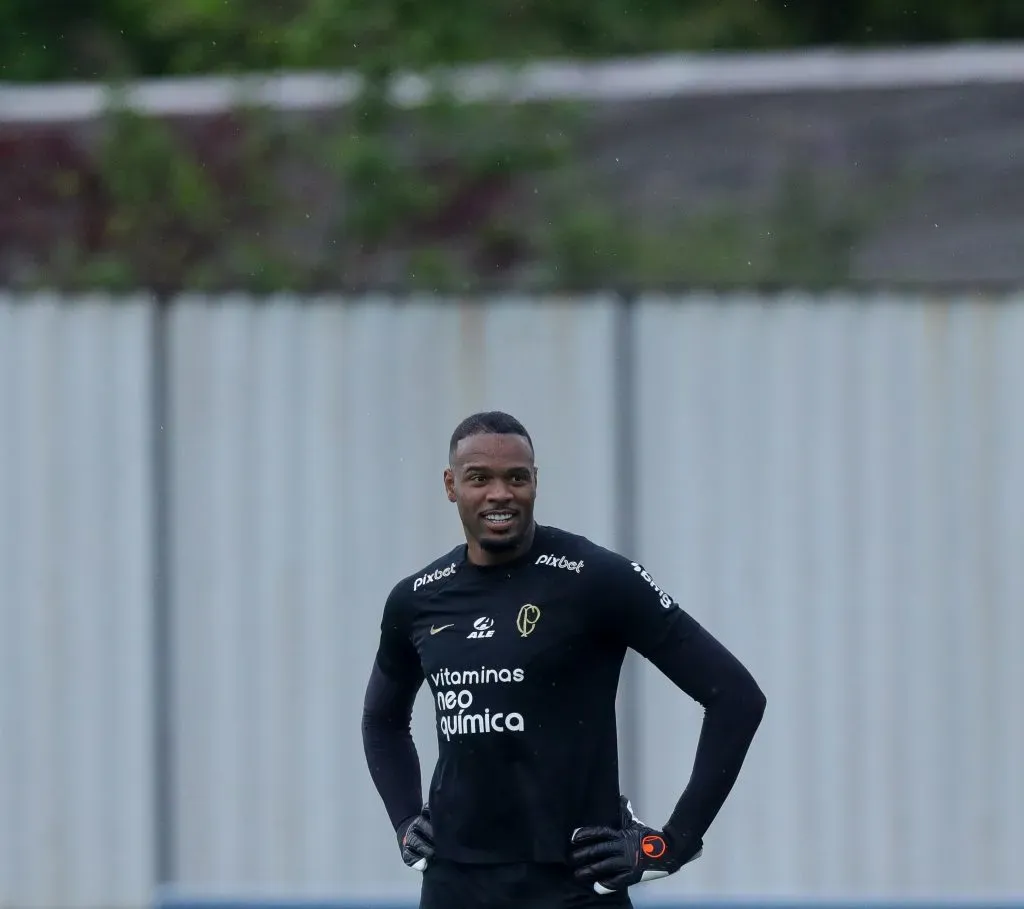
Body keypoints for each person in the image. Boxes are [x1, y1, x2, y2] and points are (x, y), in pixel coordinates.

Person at [361, 411, 766, 909]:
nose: (499, 494)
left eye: (517, 477)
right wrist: (405, 821)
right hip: (455, 885)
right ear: (451, 485)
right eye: (478, 478)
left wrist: (672, 844)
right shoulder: (416, 599)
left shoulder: (596, 579)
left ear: (535, 482)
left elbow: (737, 698)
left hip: (574, 886)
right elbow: (382, 720)